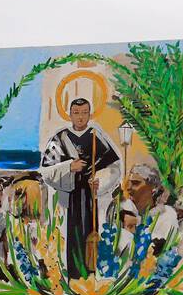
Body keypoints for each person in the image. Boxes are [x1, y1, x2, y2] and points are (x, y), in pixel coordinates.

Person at [40, 96, 122, 278]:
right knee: (68, 240)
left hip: (92, 197)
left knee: (91, 239)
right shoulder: (60, 138)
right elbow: (46, 172)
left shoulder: (96, 136)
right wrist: (69, 167)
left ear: (90, 114)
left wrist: (100, 179)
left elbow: (114, 167)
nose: (80, 117)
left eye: (84, 113)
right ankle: (69, 278)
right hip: (66, 200)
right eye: (76, 113)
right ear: (69, 114)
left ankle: (91, 278)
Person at [122, 163, 178, 252]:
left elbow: (161, 249)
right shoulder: (125, 213)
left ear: (154, 187)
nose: (128, 188)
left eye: (135, 183)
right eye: (129, 183)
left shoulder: (166, 214)